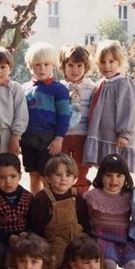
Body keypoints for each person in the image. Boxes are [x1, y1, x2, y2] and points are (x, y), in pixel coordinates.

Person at [84, 154, 135, 269]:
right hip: (101, 237)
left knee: (133, 265)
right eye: (109, 175)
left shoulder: (130, 196)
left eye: (119, 175)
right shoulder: (93, 195)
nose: (114, 180)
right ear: (101, 176)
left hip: (124, 238)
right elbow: (84, 219)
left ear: (126, 177)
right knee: (109, 264)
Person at [20, 42, 71, 195]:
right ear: (30, 67)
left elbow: (64, 115)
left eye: (46, 64)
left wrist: (59, 138)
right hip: (28, 140)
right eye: (37, 64)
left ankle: (49, 205)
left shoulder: (59, 89)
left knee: (46, 176)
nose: (42, 68)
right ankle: (36, 203)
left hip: (48, 141)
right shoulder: (25, 89)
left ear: (53, 66)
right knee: (33, 175)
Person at [83, 40, 135, 173]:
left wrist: (124, 134)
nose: (107, 66)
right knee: (104, 170)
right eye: (102, 62)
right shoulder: (100, 84)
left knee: (119, 170)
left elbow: (128, 110)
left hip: (116, 138)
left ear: (119, 62)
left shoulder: (123, 84)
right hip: (101, 135)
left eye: (111, 61)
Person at [30, 154, 89, 269]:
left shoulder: (76, 195)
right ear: (48, 178)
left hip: (77, 235)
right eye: (58, 175)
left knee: (90, 254)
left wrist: (88, 237)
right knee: (56, 259)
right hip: (55, 238)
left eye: (68, 175)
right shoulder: (42, 198)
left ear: (74, 179)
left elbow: (84, 220)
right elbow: (36, 225)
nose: (63, 179)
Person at [0, 47, 28, 192]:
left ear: (10, 68)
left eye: (3, 67)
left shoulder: (15, 89)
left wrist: (16, 136)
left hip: (8, 135)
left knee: (8, 170)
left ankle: (8, 204)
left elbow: (21, 115)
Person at [0, 153, 33, 269]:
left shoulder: (28, 197)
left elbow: (32, 222)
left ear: (20, 176)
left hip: (24, 238)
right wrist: (8, 237)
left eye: (13, 176)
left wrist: (26, 233)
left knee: (33, 252)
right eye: (2, 177)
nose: (8, 181)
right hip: (0, 239)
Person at [58, 44, 95, 194]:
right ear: (63, 66)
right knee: (62, 169)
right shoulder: (59, 87)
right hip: (63, 136)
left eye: (79, 65)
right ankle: (62, 201)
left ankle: (80, 201)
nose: (75, 70)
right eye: (71, 65)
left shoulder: (92, 87)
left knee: (81, 170)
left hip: (83, 136)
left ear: (85, 66)